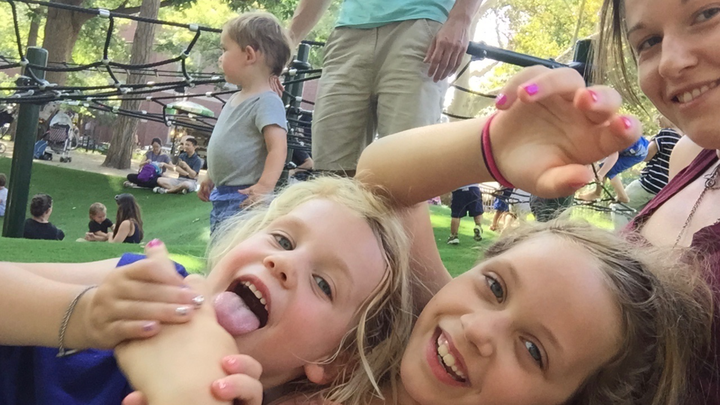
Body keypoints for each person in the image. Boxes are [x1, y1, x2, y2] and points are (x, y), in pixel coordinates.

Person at [205, 67, 712, 405]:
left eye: (533, 350)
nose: (480, 330)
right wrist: (491, 144)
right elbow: (380, 179)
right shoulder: (388, 336)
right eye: (494, 286)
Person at [0, 176, 415, 405]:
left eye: (323, 284)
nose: (284, 263)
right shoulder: (153, 279)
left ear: (335, 359)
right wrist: (86, 316)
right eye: (283, 240)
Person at [595, 0, 720, 401]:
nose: (669, 63)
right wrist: (490, 148)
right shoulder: (688, 157)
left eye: (708, 13)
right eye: (649, 41)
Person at [287, 0, 482, 175]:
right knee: (331, 170)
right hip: (348, 34)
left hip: (421, 29)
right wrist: (287, 43)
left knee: (406, 170)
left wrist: (461, 18)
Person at [199, 12, 289, 232]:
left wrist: (265, 186)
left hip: (246, 198)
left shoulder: (267, 101)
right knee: (220, 246)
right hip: (224, 194)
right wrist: (211, 175)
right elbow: (226, 143)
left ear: (249, 55)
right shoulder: (236, 99)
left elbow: (278, 148)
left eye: (224, 49)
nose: (220, 58)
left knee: (234, 246)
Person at [611, 117, 682, 228]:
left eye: (660, 116)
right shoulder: (683, 139)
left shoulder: (666, 133)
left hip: (649, 183)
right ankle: (631, 237)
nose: (658, 119)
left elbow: (646, 156)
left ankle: (620, 237)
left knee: (618, 207)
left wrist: (649, 141)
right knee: (638, 218)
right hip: (663, 190)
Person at [578, 136, 650, 203]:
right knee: (602, 167)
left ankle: (617, 196)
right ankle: (619, 195)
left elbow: (613, 155)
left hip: (636, 154)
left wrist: (601, 174)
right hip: (629, 148)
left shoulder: (610, 137)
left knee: (607, 170)